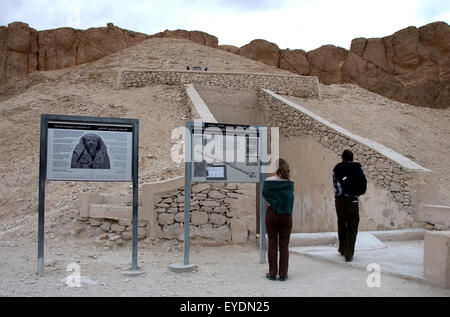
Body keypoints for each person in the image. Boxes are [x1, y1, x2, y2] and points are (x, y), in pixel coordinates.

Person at [262, 158, 294, 281]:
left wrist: (273, 203)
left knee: (272, 243)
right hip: (286, 215)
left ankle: (272, 272)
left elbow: (266, 195)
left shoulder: (269, 182)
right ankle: (283, 274)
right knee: (284, 245)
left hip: (272, 214)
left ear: (276, 168)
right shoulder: (290, 182)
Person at [333, 149, 367, 262]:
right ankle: (349, 253)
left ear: (342, 158)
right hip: (353, 200)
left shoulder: (337, 169)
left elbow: (335, 185)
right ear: (352, 159)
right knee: (352, 226)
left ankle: (342, 248)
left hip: (339, 201)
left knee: (341, 223)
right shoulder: (357, 168)